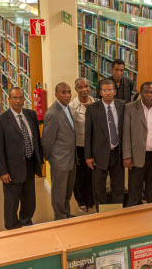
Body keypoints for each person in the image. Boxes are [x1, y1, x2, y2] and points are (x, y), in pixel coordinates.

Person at [0, 87, 43, 230]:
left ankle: (26, 221)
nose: (18, 101)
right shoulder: (0, 122)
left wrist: (40, 159)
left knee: (29, 200)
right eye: (15, 98)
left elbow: (36, 139)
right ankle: (11, 226)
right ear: (9, 100)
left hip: (29, 164)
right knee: (12, 201)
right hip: (12, 168)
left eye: (21, 97)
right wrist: (3, 171)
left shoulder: (31, 115)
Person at [123, 82, 152, 206]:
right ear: (140, 92)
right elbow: (126, 133)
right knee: (134, 187)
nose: (149, 95)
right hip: (136, 155)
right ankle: (133, 212)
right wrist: (127, 156)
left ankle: (151, 214)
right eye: (146, 92)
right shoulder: (130, 108)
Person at [85, 79, 126, 211]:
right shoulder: (92, 109)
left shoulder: (123, 105)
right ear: (100, 92)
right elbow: (88, 134)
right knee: (99, 187)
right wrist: (88, 156)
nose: (108, 93)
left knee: (118, 186)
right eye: (105, 90)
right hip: (99, 155)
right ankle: (101, 213)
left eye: (110, 90)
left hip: (118, 153)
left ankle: (116, 212)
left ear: (115, 91)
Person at [42, 82, 77, 220]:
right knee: (59, 193)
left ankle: (66, 214)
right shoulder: (52, 113)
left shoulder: (67, 108)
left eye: (69, 92)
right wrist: (50, 158)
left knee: (67, 191)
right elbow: (47, 140)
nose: (67, 95)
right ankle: (60, 217)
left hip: (71, 158)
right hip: (59, 160)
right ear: (56, 94)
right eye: (63, 92)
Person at [69, 77, 96, 213]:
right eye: (80, 87)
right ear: (76, 89)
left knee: (92, 174)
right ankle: (80, 200)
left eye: (86, 86)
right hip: (79, 146)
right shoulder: (72, 107)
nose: (84, 89)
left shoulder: (96, 102)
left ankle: (91, 199)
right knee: (79, 176)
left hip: (93, 145)